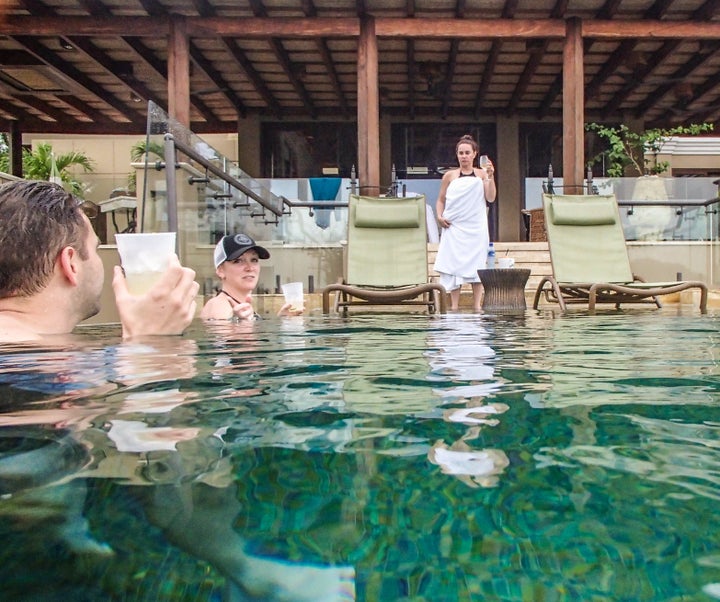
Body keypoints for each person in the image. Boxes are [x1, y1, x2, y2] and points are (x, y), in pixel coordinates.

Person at [0, 180, 199, 342]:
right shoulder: (18, 348)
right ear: (70, 264)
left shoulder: (42, 345)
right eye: (96, 248)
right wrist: (150, 341)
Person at [434, 134, 497, 311]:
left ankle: (477, 306)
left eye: (467, 152)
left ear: (474, 154)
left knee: (477, 265)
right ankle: (454, 306)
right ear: (457, 154)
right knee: (454, 266)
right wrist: (439, 217)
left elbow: (490, 197)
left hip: (476, 227)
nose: (464, 156)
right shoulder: (449, 176)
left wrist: (490, 177)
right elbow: (440, 200)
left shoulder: (482, 174)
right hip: (454, 227)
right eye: (461, 153)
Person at [201, 232, 303, 320]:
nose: (250, 268)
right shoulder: (220, 307)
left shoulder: (239, 308)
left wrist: (283, 319)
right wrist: (235, 325)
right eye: (238, 261)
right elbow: (225, 340)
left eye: (254, 260)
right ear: (220, 271)